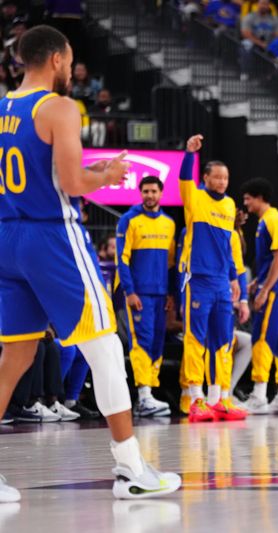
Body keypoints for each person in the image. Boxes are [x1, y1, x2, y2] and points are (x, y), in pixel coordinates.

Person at [0, 26, 180, 501]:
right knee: (105, 349)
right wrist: (110, 174)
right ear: (58, 59)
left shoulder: (2, 108)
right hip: (51, 235)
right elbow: (73, 182)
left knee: (13, 357)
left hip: (8, 235)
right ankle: (130, 469)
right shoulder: (58, 106)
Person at [179, 134, 249, 423]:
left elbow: (227, 247)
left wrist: (234, 279)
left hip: (222, 282)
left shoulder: (230, 205)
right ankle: (195, 398)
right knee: (196, 339)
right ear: (206, 178)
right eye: (216, 177)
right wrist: (189, 155)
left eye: (225, 177)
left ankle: (218, 398)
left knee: (224, 340)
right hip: (198, 279)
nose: (221, 182)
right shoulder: (195, 197)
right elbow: (184, 181)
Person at [115, 176, 176, 418]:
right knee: (141, 341)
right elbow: (122, 259)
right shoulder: (128, 220)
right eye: (146, 191)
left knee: (157, 342)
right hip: (138, 294)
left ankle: (149, 393)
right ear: (140, 193)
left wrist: (171, 293)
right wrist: (129, 292)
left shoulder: (169, 223)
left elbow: (171, 264)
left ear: (161, 193)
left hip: (161, 294)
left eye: (154, 191)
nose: (149, 195)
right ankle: (143, 396)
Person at [241, 178, 278, 414]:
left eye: (247, 198)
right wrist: (257, 280)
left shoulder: (272, 219)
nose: (245, 203)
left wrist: (264, 289)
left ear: (259, 197)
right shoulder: (267, 220)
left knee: (262, 339)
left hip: (275, 291)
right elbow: (270, 260)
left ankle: (259, 394)